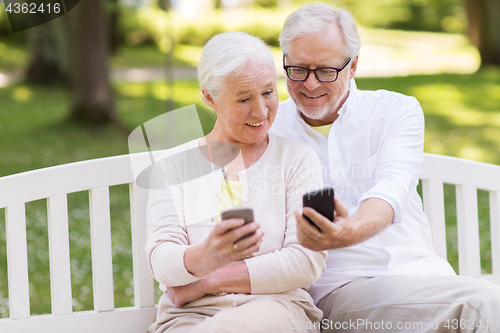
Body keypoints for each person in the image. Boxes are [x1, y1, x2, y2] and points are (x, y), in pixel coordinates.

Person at [269, 3, 500, 332]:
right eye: (298, 69)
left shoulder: (395, 111)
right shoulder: (269, 130)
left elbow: (389, 193)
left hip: (426, 278)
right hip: (343, 291)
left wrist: (348, 231)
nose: (309, 84)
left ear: (353, 66)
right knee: (486, 306)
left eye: (325, 71)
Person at [146, 31, 327, 333]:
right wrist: (203, 256)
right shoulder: (172, 165)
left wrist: (206, 281)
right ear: (209, 98)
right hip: (187, 317)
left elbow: (311, 257)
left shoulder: (301, 159)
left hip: (276, 310)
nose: (260, 111)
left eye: (269, 92)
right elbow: (160, 258)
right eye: (244, 98)